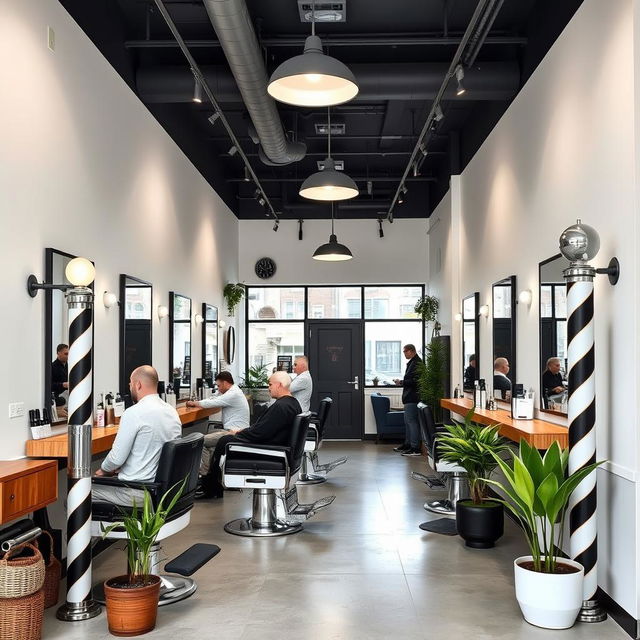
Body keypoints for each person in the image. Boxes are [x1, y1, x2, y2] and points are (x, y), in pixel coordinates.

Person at [198, 371, 301, 499]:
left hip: (270, 451)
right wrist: (243, 432)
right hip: (276, 447)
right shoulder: (292, 403)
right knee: (225, 439)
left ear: (279, 385)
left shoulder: (281, 407)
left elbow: (260, 433)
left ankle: (211, 487)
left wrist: (240, 433)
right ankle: (212, 485)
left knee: (225, 441)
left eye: (270, 384)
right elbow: (263, 430)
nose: (268, 388)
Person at [92, 365, 181, 506]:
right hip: (161, 489)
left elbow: (116, 459)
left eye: (130, 383)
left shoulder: (134, 413)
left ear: (137, 384)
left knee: (76, 495)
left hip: (135, 491)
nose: (130, 387)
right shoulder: (171, 411)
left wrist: (104, 470)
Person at [186, 371, 250, 476]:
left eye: (219, 385)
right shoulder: (232, 391)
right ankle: (212, 472)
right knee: (209, 436)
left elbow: (212, 403)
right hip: (232, 430)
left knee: (200, 441)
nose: (218, 388)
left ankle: (204, 475)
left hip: (234, 432)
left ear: (225, 383)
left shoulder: (233, 394)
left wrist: (194, 403)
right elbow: (214, 398)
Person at [393, 344, 422, 457]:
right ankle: (408, 444)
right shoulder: (412, 362)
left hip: (413, 397)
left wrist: (401, 382)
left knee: (412, 422)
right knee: (408, 422)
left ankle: (415, 448)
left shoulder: (417, 363)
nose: (404, 353)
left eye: (405, 351)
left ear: (412, 351)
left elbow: (416, 382)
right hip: (409, 397)